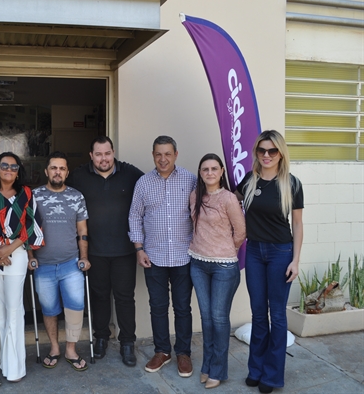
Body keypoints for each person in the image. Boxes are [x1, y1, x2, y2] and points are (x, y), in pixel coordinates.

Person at [236, 130, 303, 394]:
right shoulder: (249, 181)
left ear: (280, 153)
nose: (266, 155)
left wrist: (296, 260)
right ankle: (256, 370)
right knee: (257, 315)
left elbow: (297, 225)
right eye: (262, 150)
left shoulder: (292, 184)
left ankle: (273, 376)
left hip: (280, 253)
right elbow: (229, 203)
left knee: (277, 315)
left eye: (272, 151)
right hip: (253, 252)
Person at [67, 136, 143, 366]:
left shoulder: (131, 175)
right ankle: (100, 338)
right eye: (98, 154)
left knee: (124, 298)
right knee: (99, 298)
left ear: (113, 152)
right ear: (91, 156)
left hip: (124, 251)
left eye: (107, 153)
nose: (103, 158)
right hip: (94, 252)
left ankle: (127, 343)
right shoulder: (79, 176)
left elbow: (150, 193)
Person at [129, 135, 197, 377]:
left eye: (168, 154)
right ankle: (162, 351)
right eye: (158, 154)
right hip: (153, 257)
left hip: (183, 257)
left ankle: (184, 353)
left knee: (182, 308)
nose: (163, 158)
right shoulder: (143, 183)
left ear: (176, 155)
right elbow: (135, 216)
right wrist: (139, 249)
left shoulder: (190, 180)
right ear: (153, 155)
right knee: (157, 307)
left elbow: (200, 214)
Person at [0, 152, 44, 382]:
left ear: (18, 171)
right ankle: (4, 363)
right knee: (1, 310)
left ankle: (15, 368)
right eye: (4, 165)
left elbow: (31, 226)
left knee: (15, 309)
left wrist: (7, 250)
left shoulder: (26, 193)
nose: (9, 169)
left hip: (16, 254)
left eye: (13, 166)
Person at [28, 151, 91, 372]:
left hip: (71, 264)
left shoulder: (77, 196)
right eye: (54, 168)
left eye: (62, 168)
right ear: (46, 171)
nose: (58, 172)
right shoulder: (33, 196)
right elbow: (27, 230)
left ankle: (71, 349)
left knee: (75, 308)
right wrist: (30, 257)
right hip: (43, 266)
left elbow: (82, 230)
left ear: (67, 172)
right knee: (49, 309)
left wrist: (84, 257)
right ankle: (55, 348)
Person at [188, 153, 246, 389]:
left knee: (219, 319)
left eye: (214, 169)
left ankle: (218, 370)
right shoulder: (195, 196)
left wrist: (224, 250)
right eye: (205, 169)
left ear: (222, 171)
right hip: (198, 264)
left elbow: (241, 231)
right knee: (207, 318)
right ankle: (207, 365)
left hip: (224, 267)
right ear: (200, 173)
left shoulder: (229, 199)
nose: (209, 173)